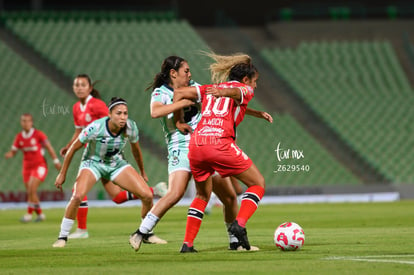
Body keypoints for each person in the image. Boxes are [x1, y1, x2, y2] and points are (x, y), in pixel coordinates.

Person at [129, 56, 271, 252]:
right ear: (173, 73)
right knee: (176, 192)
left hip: (197, 142)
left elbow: (223, 102)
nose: (190, 74)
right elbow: (155, 112)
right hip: (184, 144)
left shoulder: (200, 88)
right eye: (186, 71)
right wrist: (179, 119)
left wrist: (255, 112)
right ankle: (142, 231)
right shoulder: (161, 92)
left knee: (222, 196)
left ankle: (199, 244)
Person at [172, 52, 266, 252]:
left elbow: (178, 93)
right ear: (246, 79)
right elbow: (236, 93)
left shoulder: (208, 89)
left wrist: (178, 121)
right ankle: (239, 224)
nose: (255, 86)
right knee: (257, 184)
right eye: (255, 81)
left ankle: (187, 244)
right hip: (219, 144)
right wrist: (226, 93)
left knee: (202, 195)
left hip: (197, 145)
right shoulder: (244, 88)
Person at [61, 74, 167, 240]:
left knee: (78, 191)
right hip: (93, 155)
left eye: (82, 85)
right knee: (117, 197)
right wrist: (68, 145)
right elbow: (78, 131)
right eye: (76, 85)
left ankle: (81, 229)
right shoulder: (76, 108)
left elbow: (113, 122)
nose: (79, 88)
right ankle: (155, 191)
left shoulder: (98, 106)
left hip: (109, 155)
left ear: (90, 88)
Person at [52, 97, 155, 248]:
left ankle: (145, 233)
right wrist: (62, 174)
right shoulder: (96, 127)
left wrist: (142, 171)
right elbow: (74, 148)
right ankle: (62, 237)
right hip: (93, 164)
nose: (122, 117)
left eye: (125, 113)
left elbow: (136, 150)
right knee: (78, 196)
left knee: (147, 195)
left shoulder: (131, 127)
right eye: (118, 113)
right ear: (110, 114)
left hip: (115, 164)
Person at [4, 113, 61, 222]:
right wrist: (10, 154)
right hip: (26, 168)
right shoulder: (19, 137)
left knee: (32, 188)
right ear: (21, 123)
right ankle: (40, 214)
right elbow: (14, 151)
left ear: (32, 122)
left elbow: (49, 148)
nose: (26, 123)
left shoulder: (39, 135)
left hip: (40, 165)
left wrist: (56, 161)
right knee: (31, 192)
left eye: (28, 121)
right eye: (23, 121)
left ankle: (29, 214)